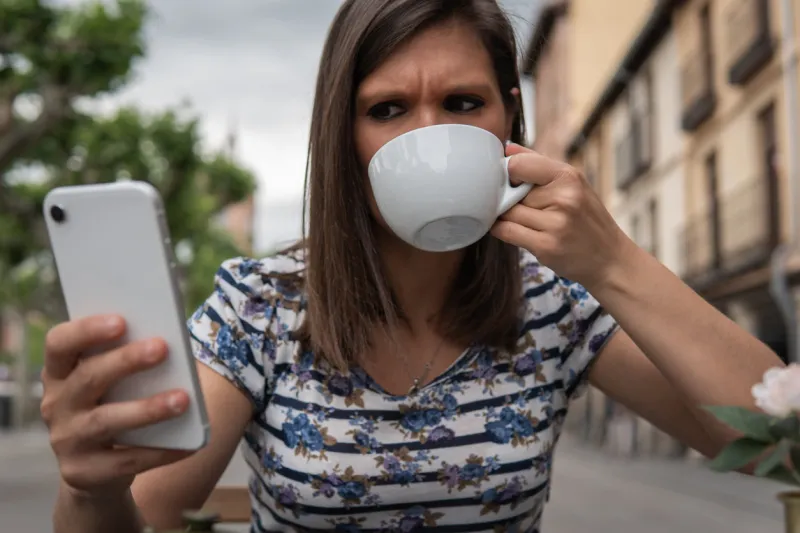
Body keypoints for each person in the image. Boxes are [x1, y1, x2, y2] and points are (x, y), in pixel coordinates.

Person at [41, 0, 784, 532]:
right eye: (388, 110)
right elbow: (148, 516)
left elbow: (779, 446)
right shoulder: (260, 307)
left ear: (509, 121)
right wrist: (88, 485)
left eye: (464, 102)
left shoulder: (553, 303)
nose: (428, 136)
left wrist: (615, 260)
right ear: (343, 136)